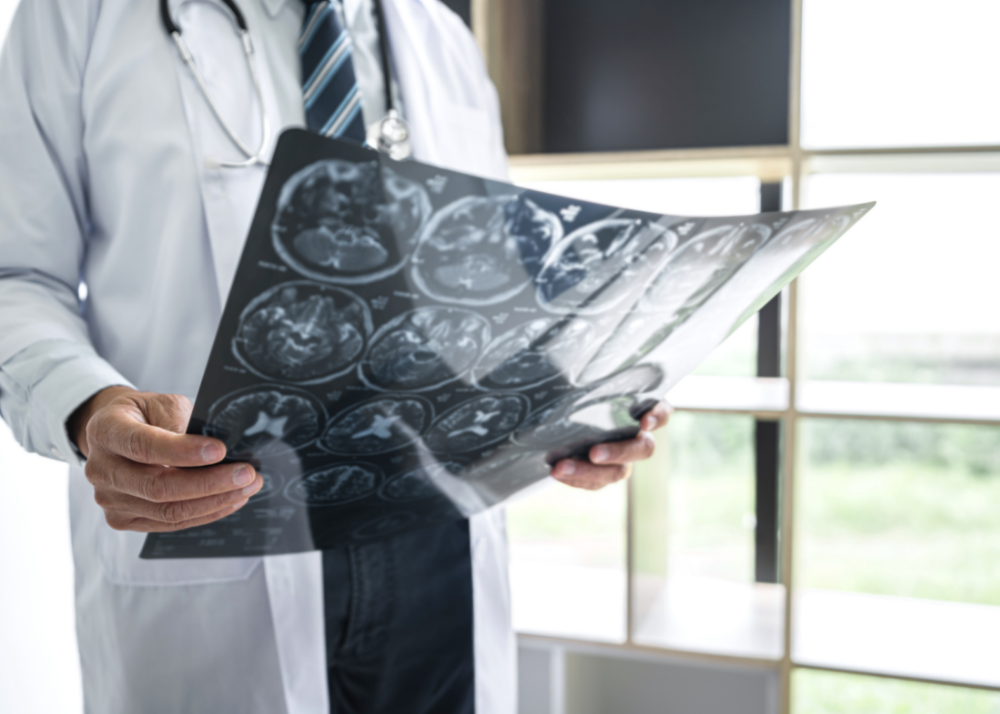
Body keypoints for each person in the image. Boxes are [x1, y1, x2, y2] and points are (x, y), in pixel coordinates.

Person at [0, 0, 669, 711]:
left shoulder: (438, 35)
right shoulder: (79, 16)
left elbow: (487, 282)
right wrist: (85, 405)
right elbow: (16, 276)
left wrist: (581, 398)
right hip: (223, 533)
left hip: (439, 536)